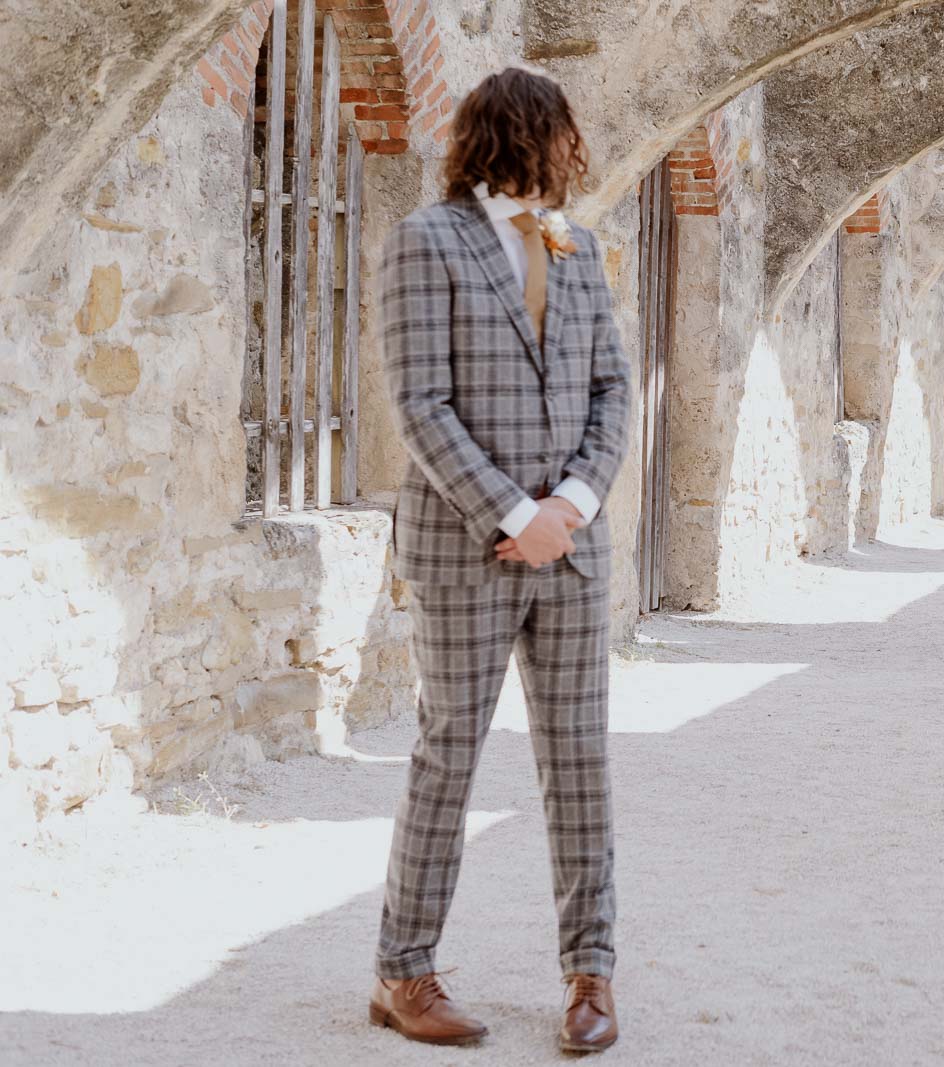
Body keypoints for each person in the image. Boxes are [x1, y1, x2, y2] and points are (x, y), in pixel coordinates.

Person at [368, 67, 630, 1053]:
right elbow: (419, 407)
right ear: (523, 133)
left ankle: (591, 972)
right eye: (565, 131)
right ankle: (403, 971)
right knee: (449, 759)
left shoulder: (579, 243)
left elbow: (614, 390)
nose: (576, 149)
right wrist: (516, 511)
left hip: (572, 548)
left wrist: (568, 504)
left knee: (580, 764)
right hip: (465, 550)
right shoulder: (423, 243)